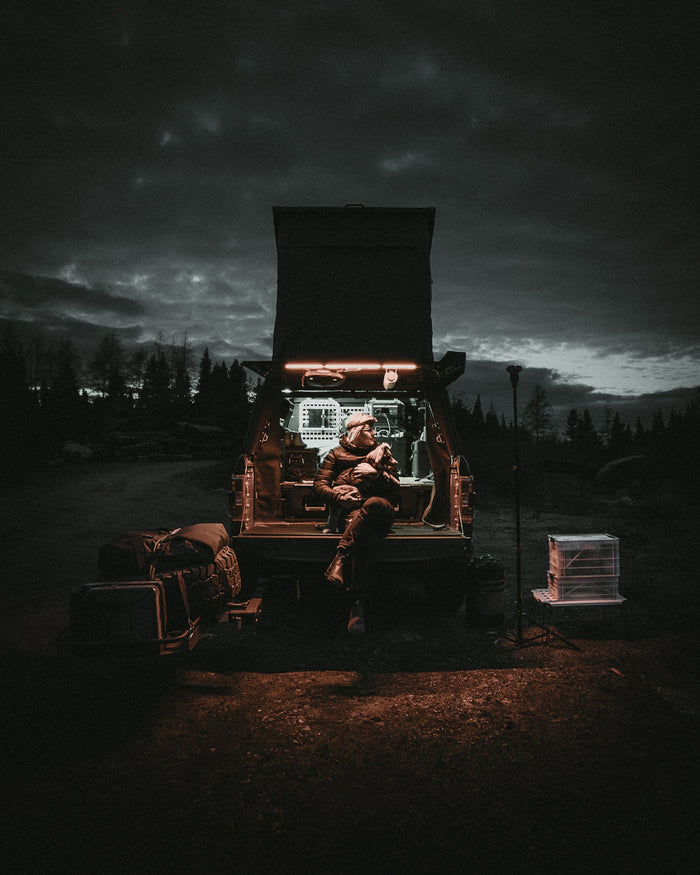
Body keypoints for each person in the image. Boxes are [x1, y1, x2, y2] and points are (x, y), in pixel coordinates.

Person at [313, 412, 400, 634]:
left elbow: (395, 490)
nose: (373, 433)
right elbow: (320, 484)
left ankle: (340, 559)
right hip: (355, 514)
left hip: (383, 508)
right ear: (356, 431)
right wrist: (337, 497)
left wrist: (376, 475)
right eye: (368, 429)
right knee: (364, 535)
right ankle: (357, 605)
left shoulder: (382, 452)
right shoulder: (336, 454)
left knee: (371, 504)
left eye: (373, 429)